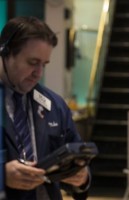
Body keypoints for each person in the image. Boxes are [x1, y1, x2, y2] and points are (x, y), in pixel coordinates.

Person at [0, 16, 90, 199]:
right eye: (33, 63)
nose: (39, 73)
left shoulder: (53, 104)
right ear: (5, 52)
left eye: (44, 64)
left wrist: (82, 177)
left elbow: (76, 155)